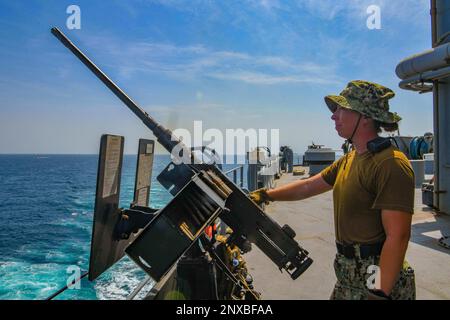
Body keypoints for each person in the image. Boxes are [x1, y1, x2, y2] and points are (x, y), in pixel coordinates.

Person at [250, 80, 416, 300]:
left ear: (365, 116)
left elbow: (398, 236)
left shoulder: (390, 164)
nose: (334, 115)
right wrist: (266, 195)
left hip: (374, 275)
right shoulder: (350, 159)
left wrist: (379, 292)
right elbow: (309, 186)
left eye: (341, 109)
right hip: (349, 275)